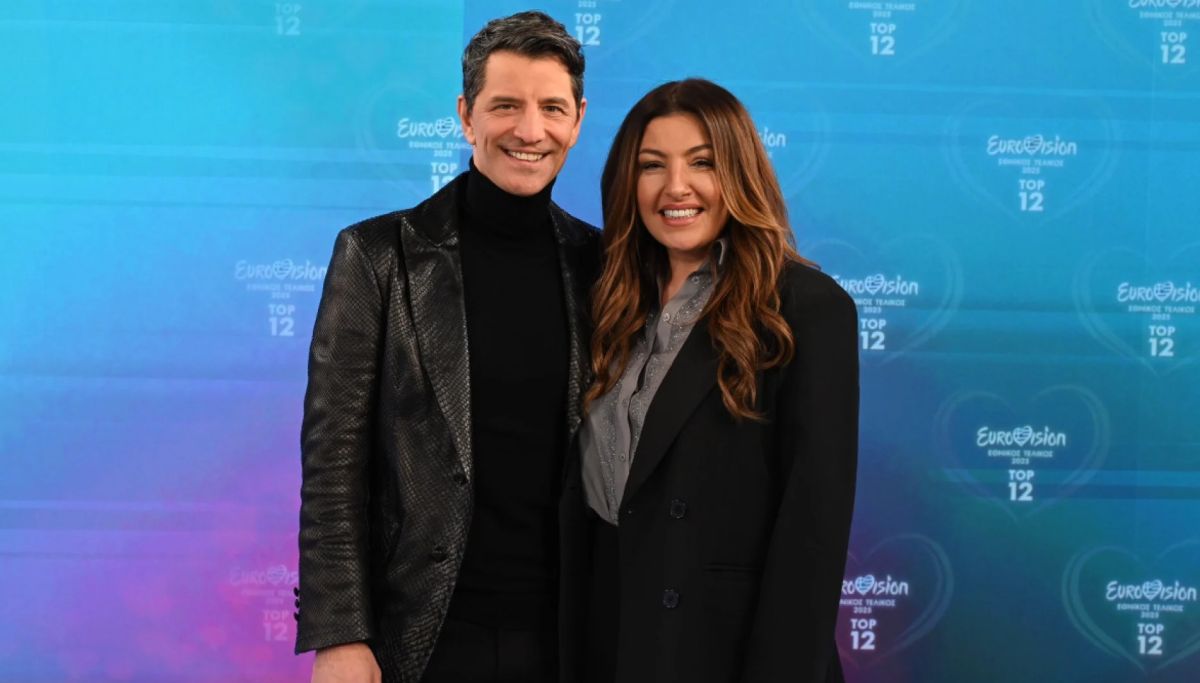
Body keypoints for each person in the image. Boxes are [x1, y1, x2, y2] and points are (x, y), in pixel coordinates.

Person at [294, 11, 600, 683]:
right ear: (466, 116)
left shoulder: (603, 264)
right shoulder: (378, 256)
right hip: (424, 636)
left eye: (552, 108)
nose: (530, 130)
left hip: (571, 638)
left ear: (577, 120)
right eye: (506, 105)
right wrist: (340, 632)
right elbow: (333, 461)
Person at [574, 79, 859, 683]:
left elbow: (812, 530)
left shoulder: (806, 308)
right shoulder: (605, 302)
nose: (676, 187)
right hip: (609, 638)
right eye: (652, 165)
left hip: (723, 652)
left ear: (740, 172)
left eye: (701, 162)